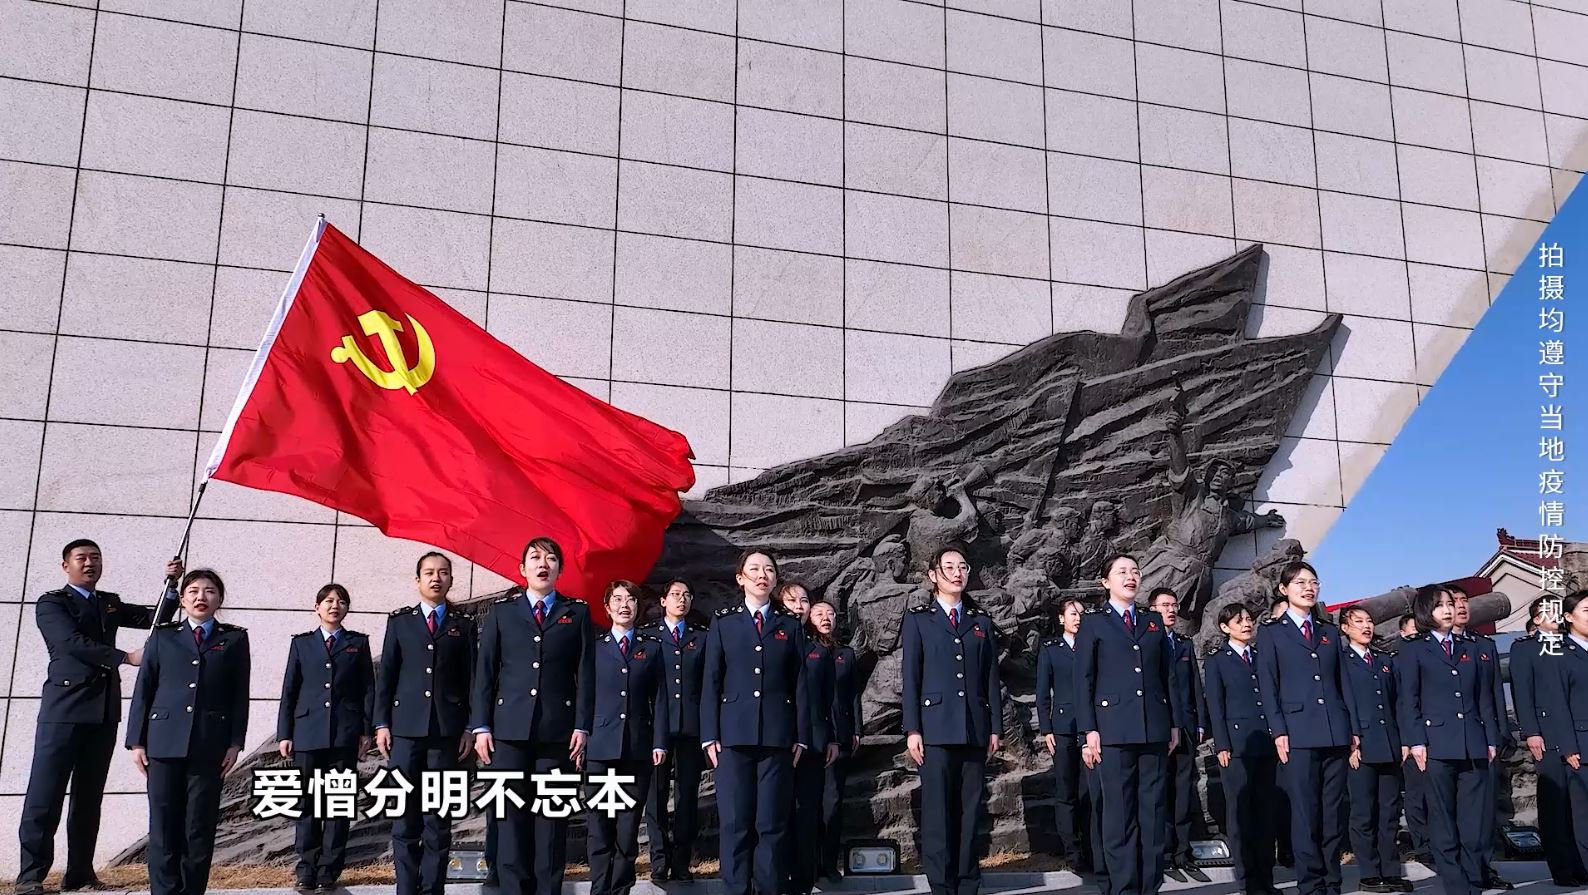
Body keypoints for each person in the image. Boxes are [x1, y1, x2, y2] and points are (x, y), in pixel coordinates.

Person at [16, 540, 180, 895]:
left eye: (95, 557)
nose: (89, 563)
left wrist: (171, 586)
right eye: (81, 558)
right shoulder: (52, 603)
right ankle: (30, 876)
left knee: (89, 798)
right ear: (66, 566)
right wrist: (124, 658)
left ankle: (80, 874)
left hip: (103, 711)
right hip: (64, 710)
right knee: (46, 793)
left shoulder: (109, 602)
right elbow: (71, 643)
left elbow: (154, 619)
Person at [472, 538, 595, 895]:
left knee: (551, 821)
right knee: (510, 819)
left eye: (551, 558)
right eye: (535, 558)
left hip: (557, 732)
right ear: (522, 569)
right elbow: (485, 673)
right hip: (508, 731)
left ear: (560, 569)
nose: (543, 564)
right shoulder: (502, 613)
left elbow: (586, 674)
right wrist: (481, 726)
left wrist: (582, 725)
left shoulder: (577, 613)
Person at [126, 569, 250, 895]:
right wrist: (136, 741)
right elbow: (144, 689)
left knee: (198, 826)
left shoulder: (234, 639)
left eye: (209, 591)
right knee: (164, 825)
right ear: (182, 599)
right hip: (162, 744)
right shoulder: (163, 637)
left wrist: (235, 742)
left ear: (219, 599)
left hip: (210, 745)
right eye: (193, 591)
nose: (201, 597)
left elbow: (239, 694)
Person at [702, 549, 811, 895]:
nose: (762, 575)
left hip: (778, 736)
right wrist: (709, 735)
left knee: (771, 823)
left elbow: (800, 683)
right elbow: (711, 680)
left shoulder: (789, 624)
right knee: (736, 822)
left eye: (769, 570)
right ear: (741, 578)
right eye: (754, 569)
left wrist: (801, 735)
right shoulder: (724, 622)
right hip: (732, 736)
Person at [1076, 553, 1180, 895]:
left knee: (1153, 813)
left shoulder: (1153, 621)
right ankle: (1123, 888)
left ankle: (1150, 886)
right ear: (1106, 581)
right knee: (1119, 817)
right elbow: (1084, 680)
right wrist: (1089, 730)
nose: (1130, 576)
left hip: (1154, 728)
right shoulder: (1094, 623)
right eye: (1121, 572)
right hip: (1113, 730)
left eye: (1134, 571)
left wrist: (1174, 723)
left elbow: (1167, 675)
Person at [902, 544, 1002, 895]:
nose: (958, 573)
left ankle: (968, 882)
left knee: (970, 811)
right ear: (933, 575)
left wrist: (995, 727)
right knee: (938, 813)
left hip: (974, 728)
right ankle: (942, 885)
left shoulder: (980, 622)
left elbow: (990, 678)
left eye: (963, 566)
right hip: (935, 729)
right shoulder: (919, 620)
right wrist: (913, 728)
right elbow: (911, 676)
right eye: (949, 567)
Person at [376, 552, 476, 895]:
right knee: (405, 815)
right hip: (405, 732)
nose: (436, 578)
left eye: (443, 572)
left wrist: (469, 727)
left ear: (451, 580)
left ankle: (432, 888)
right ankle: (406, 888)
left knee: (437, 818)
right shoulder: (400, 622)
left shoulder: (464, 624)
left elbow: (472, 680)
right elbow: (387, 675)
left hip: (446, 733)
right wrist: (381, 723)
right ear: (417, 580)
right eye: (429, 573)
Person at [1256, 561, 1357, 895]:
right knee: (1305, 814)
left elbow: (1343, 683)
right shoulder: (1272, 632)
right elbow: (1268, 685)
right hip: (1297, 733)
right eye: (1300, 583)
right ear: (1284, 589)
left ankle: (1332, 881)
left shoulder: (1329, 632)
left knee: (1332, 813)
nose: (1308, 588)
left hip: (1335, 731)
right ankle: (1311, 885)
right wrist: (1278, 731)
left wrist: (1353, 728)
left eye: (1313, 582)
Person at [1398, 584, 1501, 895]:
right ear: (1425, 611)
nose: (1448, 609)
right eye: (1439, 605)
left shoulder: (1470, 648)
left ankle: (1473, 882)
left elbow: (1484, 699)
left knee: (1475, 823)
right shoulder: (1414, 649)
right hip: (1436, 745)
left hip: (1474, 743)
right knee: (1443, 820)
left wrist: (1491, 739)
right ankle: (1457, 886)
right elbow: (1408, 700)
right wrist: (1416, 741)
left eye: (1449, 604)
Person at [277, 584, 375, 893]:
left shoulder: (357, 643)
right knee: (307, 802)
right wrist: (285, 733)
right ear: (316, 607)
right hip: (307, 732)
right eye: (329, 601)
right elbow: (289, 691)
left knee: (338, 803)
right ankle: (306, 869)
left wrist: (366, 731)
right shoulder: (302, 644)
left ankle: (328, 871)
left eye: (341, 601)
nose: (335, 606)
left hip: (344, 733)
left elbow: (368, 689)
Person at [584, 581, 667, 895]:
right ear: (607, 608)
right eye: (617, 599)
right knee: (599, 826)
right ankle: (599, 888)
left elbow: (661, 699)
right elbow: (583, 697)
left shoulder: (652, 648)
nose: (624, 605)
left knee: (627, 826)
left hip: (636, 748)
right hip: (600, 748)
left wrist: (659, 741)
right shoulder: (594, 648)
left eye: (630, 599)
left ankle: (620, 889)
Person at [1202, 603, 1280, 895]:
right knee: (1241, 815)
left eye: (1248, 619)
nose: (1247, 624)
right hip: (1236, 746)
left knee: (1265, 815)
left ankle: (1267, 880)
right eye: (1239, 621)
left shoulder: (1260, 656)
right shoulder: (1217, 660)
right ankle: (1249, 882)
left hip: (1265, 743)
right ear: (1225, 628)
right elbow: (1216, 705)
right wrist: (1222, 743)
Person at [1510, 596, 1585, 886]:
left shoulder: (1571, 645)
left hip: (1575, 731)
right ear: (1536, 618)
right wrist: (1531, 731)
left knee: (1578, 805)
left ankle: (1580, 863)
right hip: (1546, 733)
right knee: (1555, 803)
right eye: (1547, 612)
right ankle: (1562, 869)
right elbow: (1522, 692)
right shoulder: (1526, 648)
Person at [1339, 605, 1411, 894]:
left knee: (1389, 813)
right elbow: (1342, 704)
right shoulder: (1341, 662)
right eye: (1358, 622)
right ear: (1345, 628)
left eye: (1369, 621)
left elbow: (1397, 703)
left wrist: (1404, 740)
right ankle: (1369, 873)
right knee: (1363, 813)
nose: (1366, 626)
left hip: (1389, 743)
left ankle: (1391, 871)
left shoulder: (1383, 660)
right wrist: (1350, 742)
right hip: (1361, 746)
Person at [1446, 583, 1513, 891]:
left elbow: (1494, 693)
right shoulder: (1431, 647)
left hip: (1484, 738)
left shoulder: (1482, 645)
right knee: (1455, 811)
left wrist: (1500, 733)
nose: (1460, 606)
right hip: (1448, 742)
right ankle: (1459, 870)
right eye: (1453, 601)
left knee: (1485, 811)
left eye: (1464, 600)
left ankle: (1483, 868)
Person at [646, 579, 707, 881]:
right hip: (656, 727)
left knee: (687, 796)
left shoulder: (701, 637)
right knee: (655, 795)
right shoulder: (648, 636)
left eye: (686, 595)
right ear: (663, 601)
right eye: (675, 594)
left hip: (691, 727)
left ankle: (682, 862)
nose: (681, 599)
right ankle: (659, 859)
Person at [781, 583, 838, 895]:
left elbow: (829, 699)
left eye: (804, 600)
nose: (799, 606)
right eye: (792, 600)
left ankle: (803, 880)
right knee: (777, 813)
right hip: (778, 741)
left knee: (807, 813)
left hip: (814, 743)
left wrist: (832, 738)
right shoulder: (771, 642)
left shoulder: (818, 649)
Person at [1149, 588, 1208, 883]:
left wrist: (1200, 723)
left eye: (1173, 605)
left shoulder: (1183, 644)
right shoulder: (1148, 643)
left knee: (1183, 790)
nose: (1171, 610)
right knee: (1160, 791)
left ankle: (1183, 853)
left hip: (1185, 726)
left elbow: (1194, 685)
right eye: (1164, 605)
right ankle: (1163, 852)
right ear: (1152, 609)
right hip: (1159, 728)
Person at [1035, 596, 1092, 873]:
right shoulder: (1051, 650)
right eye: (1072, 613)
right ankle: (1073, 851)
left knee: (1089, 791)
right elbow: (1042, 694)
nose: (1078, 618)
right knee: (1066, 791)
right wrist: (1046, 728)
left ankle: (1093, 848)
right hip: (1064, 728)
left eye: (1081, 613)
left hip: (1091, 729)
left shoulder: (1093, 646)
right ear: (1061, 619)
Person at [810, 600, 861, 880]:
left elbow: (853, 694)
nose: (825, 617)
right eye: (819, 613)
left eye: (830, 613)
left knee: (833, 801)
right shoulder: (804, 649)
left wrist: (856, 730)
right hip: (811, 736)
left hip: (839, 734)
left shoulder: (846, 654)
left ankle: (828, 863)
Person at [1541, 590, 1588, 884]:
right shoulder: (1559, 653)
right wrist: (1568, 747)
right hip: (1582, 744)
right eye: (1587, 610)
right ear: (1568, 617)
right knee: (1584, 817)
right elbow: (1557, 704)